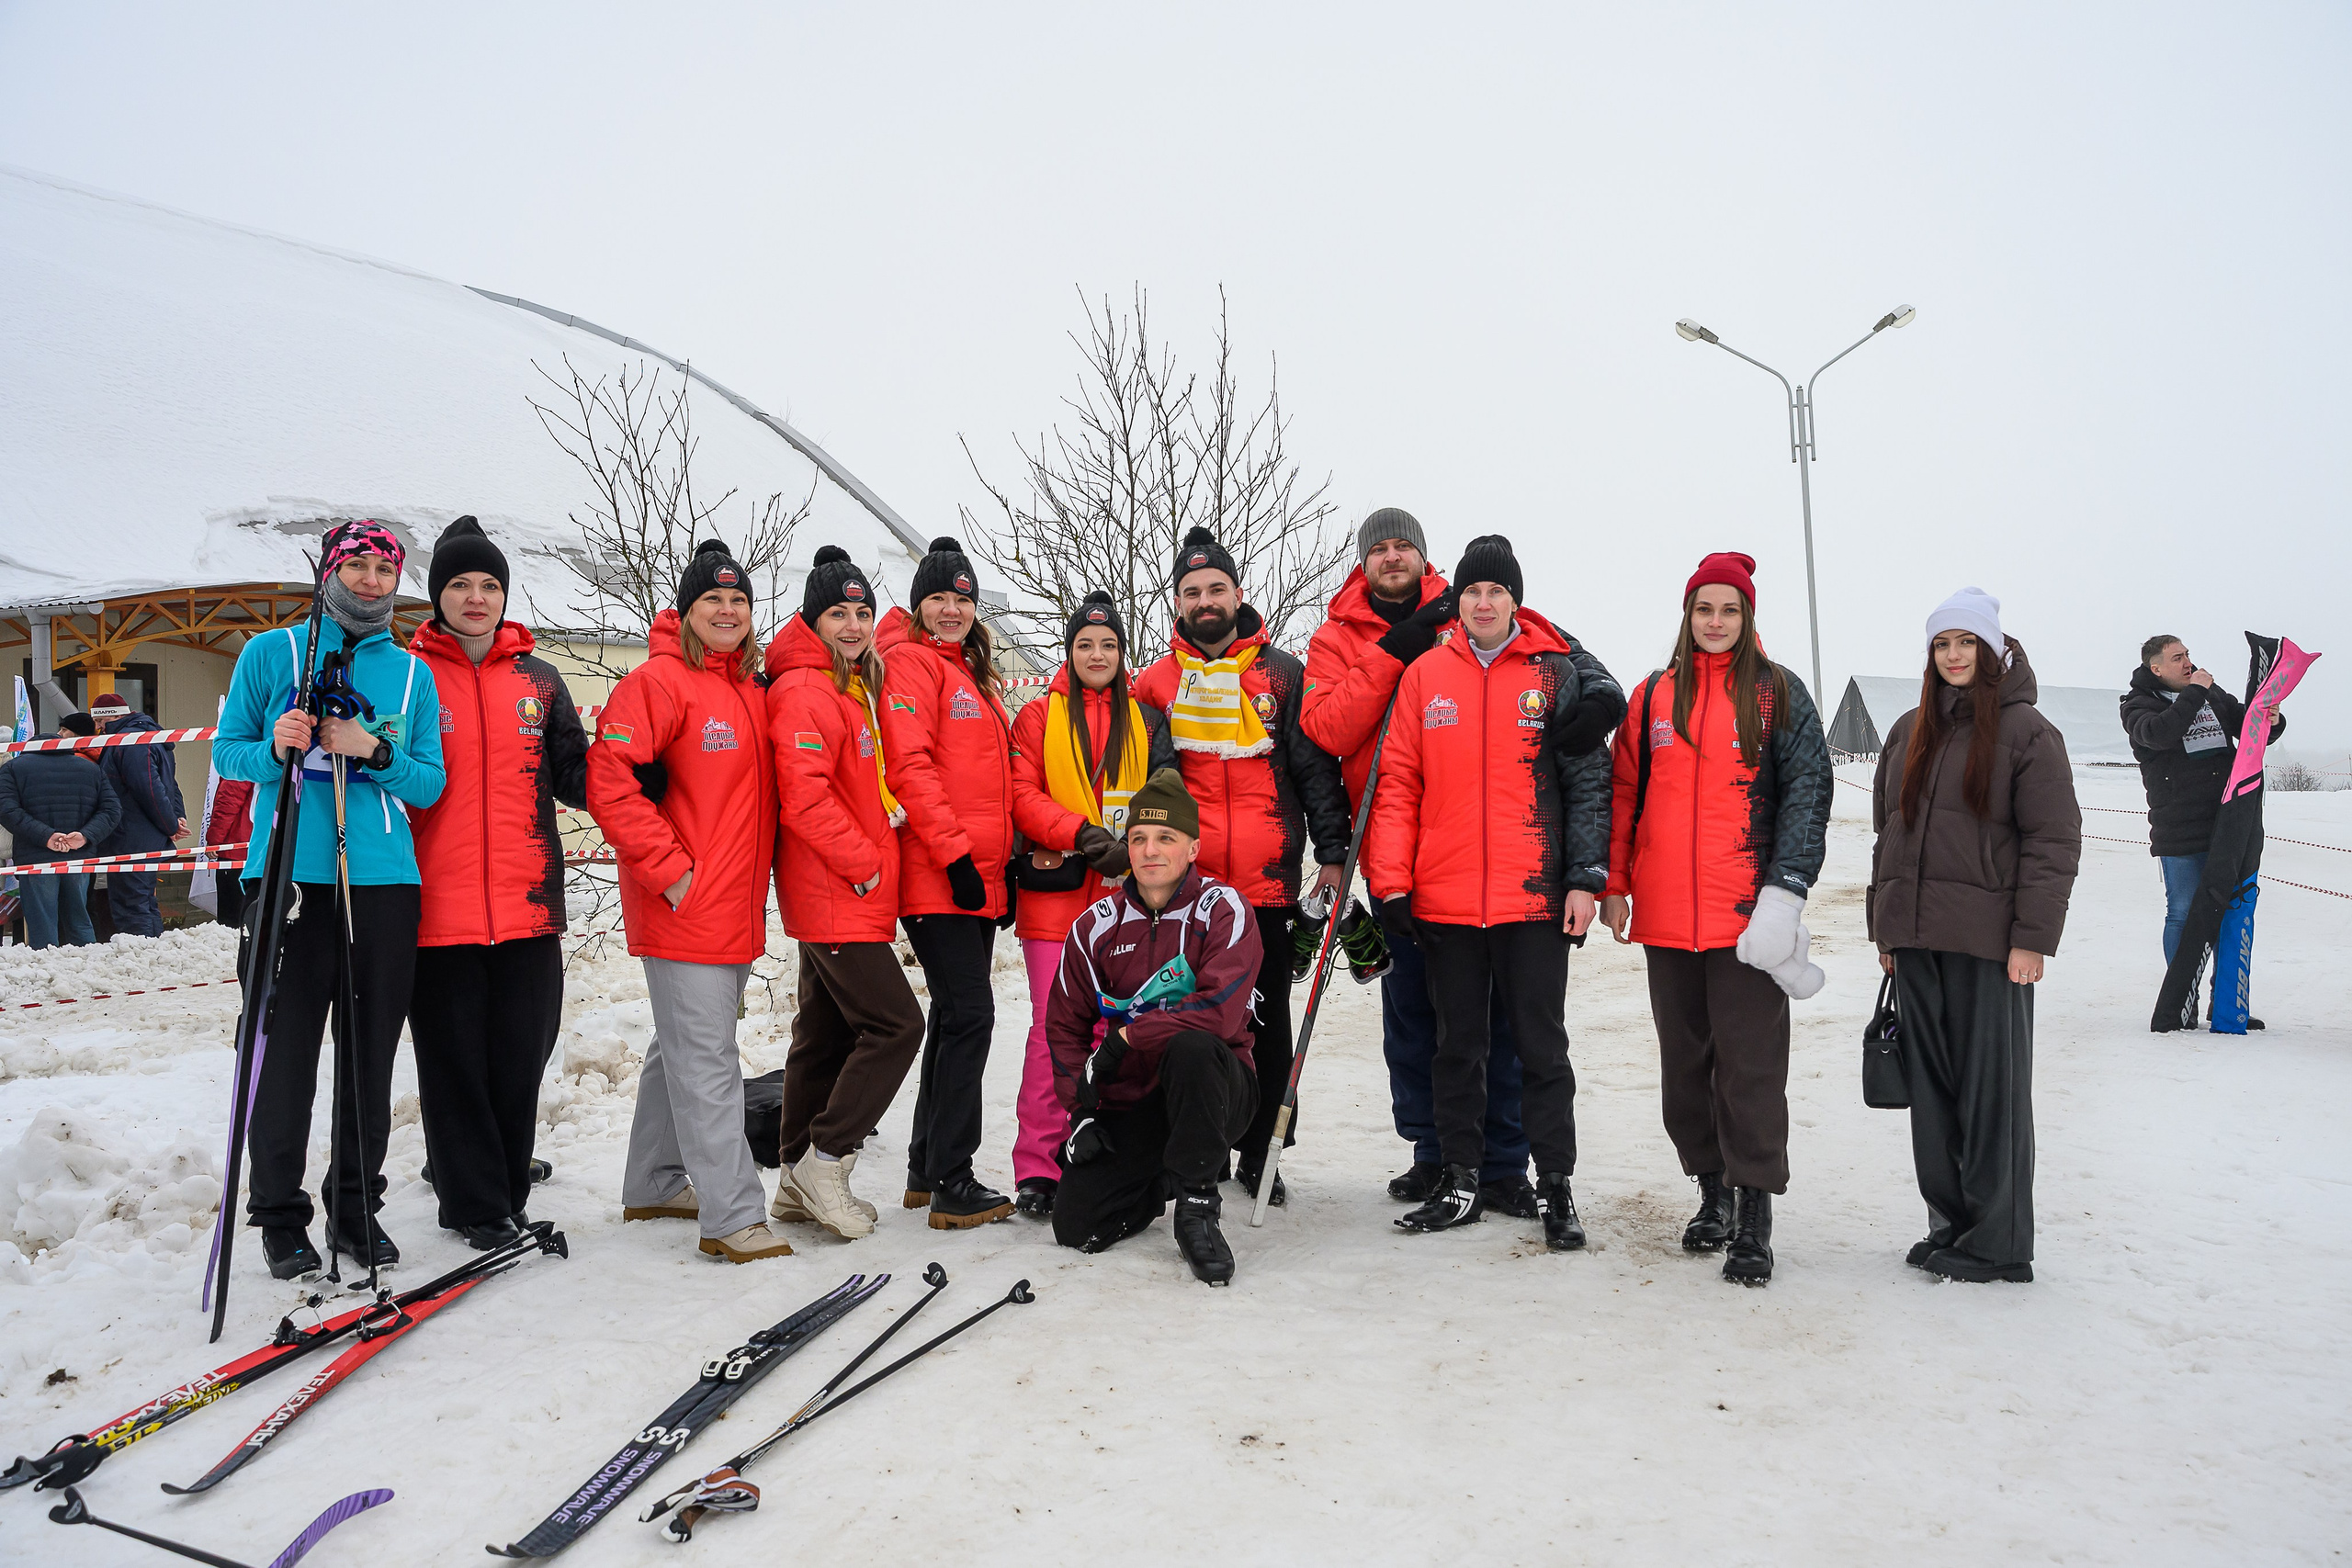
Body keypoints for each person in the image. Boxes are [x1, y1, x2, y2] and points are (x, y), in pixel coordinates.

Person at [1363, 535, 1621, 1250]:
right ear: (1458, 601)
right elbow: (1398, 784)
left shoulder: (1552, 673)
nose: (1483, 603)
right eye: (1473, 590)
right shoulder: (1425, 675)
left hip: (1533, 898)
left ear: (1516, 601)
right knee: (1457, 1048)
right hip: (1445, 901)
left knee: (1541, 1049)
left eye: (1496, 591)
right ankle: (1460, 1177)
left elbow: (1588, 784)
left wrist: (1585, 879)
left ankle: (1555, 1185)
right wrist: (1392, 884)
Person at [212, 520, 444, 1279]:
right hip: (288, 878)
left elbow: (428, 781)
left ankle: (353, 1203)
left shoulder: (410, 673)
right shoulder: (271, 652)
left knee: (369, 1053)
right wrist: (276, 745)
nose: (372, 580)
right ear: (328, 571)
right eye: (358, 566)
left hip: (382, 882)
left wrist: (373, 750)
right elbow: (229, 753)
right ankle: (279, 1215)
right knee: (283, 1053)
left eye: (385, 569)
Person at [1303, 508, 1546, 1219]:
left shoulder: (1470, 602)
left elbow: (1548, 651)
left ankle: (1502, 1161)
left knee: (1492, 1017)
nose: (1392, 557)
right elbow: (1328, 728)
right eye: (1378, 548)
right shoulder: (1334, 637)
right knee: (1411, 1011)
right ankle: (1434, 1151)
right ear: (1363, 562)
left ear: (1422, 554)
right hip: (1389, 853)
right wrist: (1393, 650)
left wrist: (1594, 692)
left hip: (1478, 849)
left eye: (1402, 545)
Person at [1600, 552, 1832, 1286]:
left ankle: (1754, 1213)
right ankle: (1713, 1192)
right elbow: (1624, 793)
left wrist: (1786, 889)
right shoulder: (1651, 696)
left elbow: (1808, 793)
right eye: (1705, 608)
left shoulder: (1777, 694)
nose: (1715, 621)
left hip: (1746, 920)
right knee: (1685, 1069)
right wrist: (1615, 882)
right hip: (1666, 916)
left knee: (1750, 1069)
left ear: (1747, 615)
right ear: (1687, 614)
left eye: (1730, 609)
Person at [1132, 526, 1350, 1205]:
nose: (1205, 601)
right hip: (1189, 890)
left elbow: (1312, 769)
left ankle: (1262, 1152)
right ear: (1177, 601)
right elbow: (1150, 781)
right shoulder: (1156, 682)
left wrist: (1333, 851)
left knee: (1266, 1023)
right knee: (1186, 1018)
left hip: (1267, 880)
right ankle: (1192, 1147)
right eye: (1192, 591)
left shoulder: (1282, 673)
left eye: (1216, 589)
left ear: (1237, 593)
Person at [1871, 587, 2081, 1285]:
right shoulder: (1910, 728)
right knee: (1932, 1092)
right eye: (1942, 644)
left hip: (1991, 944)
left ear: (1993, 649)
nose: (1954, 655)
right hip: (1917, 939)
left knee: (1992, 1094)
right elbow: (1888, 834)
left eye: (1967, 642)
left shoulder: (2027, 731)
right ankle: (1952, 1224)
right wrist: (1885, 925)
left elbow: (2053, 841)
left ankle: (1999, 1242)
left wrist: (2032, 938)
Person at [587, 539, 787, 1264]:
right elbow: (608, 780)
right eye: (713, 599)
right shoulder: (658, 683)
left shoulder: (752, 689)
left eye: (738, 600)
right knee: (707, 1060)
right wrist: (672, 872)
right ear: (686, 610)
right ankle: (733, 1216)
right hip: (684, 904)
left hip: (733, 906)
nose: (727, 611)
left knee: (679, 1045)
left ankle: (653, 1180)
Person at [406, 517, 590, 1249]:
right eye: (460, 584)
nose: (476, 597)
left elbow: (575, 773)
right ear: (438, 595)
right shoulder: (409, 676)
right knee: (453, 1065)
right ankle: (474, 1204)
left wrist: (644, 764)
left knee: (520, 1059)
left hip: (528, 905)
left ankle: (507, 1190)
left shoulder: (539, 680)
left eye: (489, 584)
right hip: (436, 909)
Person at [763, 545, 926, 1241]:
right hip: (835, 888)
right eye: (838, 614)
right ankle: (827, 1161)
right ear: (812, 620)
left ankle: (793, 1175)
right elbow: (804, 796)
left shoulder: (844, 683)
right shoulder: (805, 688)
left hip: (842, 888)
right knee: (896, 1025)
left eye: (862, 612)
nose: (855, 625)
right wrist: (863, 863)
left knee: (823, 1033)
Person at [1046, 768, 1265, 1285]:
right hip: (1137, 1102)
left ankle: (1197, 1208)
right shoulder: (1095, 925)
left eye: (1166, 837)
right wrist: (1081, 1112)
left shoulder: (1223, 909)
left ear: (1193, 847)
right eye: (1139, 837)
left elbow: (1220, 1014)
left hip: (1217, 1090)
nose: (1150, 851)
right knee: (1077, 1227)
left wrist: (1127, 1037)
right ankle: (1166, 1174)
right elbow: (1064, 1025)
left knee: (1192, 1047)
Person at [1006, 591, 1174, 1220]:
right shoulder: (1036, 716)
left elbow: (1166, 790)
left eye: (1108, 644)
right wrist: (1080, 832)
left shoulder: (1147, 720)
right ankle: (1039, 1166)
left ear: (1122, 653)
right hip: (1055, 900)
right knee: (1052, 1034)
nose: (1097, 654)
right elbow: (1021, 794)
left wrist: (1137, 843)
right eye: (1085, 644)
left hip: (1125, 899)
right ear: (1069, 651)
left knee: (1118, 1032)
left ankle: (1108, 1159)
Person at [876, 536, 1019, 1229]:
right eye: (938, 598)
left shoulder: (968, 672)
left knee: (955, 1017)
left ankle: (925, 1166)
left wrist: (1000, 869)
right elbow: (910, 767)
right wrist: (957, 858)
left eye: (961, 599)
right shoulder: (911, 664)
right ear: (918, 606)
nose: (951, 610)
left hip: (973, 879)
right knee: (971, 1016)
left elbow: (993, 784)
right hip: (939, 875)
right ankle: (952, 1181)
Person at [2120, 634, 2286, 969]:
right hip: (2178, 828)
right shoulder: (2137, 705)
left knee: (2230, 911)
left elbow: (2248, 728)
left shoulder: (2210, 691)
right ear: (2156, 669)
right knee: (2182, 912)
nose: (2188, 663)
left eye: (2187, 654)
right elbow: (2159, 734)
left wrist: (2272, 720)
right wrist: (2195, 691)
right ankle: (2181, 993)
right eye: (2177, 658)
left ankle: (2224, 995)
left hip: (2226, 821)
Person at [0, 712, 120, 949]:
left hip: (36, 859)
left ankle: (46, 967)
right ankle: (88, 963)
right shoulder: (90, 769)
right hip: (78, 856)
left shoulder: (14, 768)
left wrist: (46, 836)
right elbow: (112, 810)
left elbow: (6, 810)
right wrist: (84, 836)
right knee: (79, 919)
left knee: (42, 924)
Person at [87, 690, 187, 938]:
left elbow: (148, 788)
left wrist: (171, 824)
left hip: (130, 837)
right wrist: (175, 817)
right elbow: (169, 784)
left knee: (131, 905)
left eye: (100, 721)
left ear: (113, 717)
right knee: (144, 902)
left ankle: (142, 952)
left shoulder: (129, 741)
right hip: (145, 835)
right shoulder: (152, 736)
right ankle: (154, 951)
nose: (98, 728)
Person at [204, 773, 255, 931]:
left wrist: (214, 840)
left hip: (235, 849)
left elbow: (228, 802)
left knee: (231, 919)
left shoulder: (240, 764)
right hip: (257, 849)